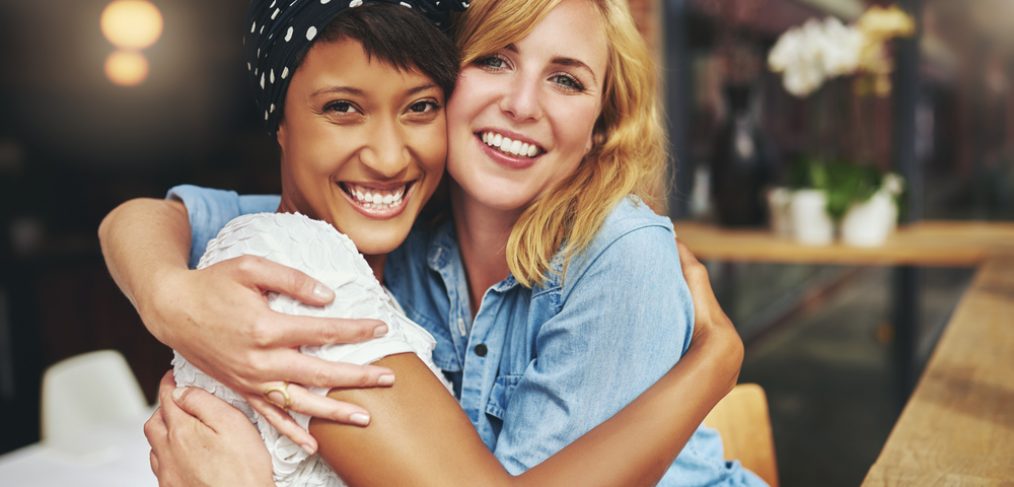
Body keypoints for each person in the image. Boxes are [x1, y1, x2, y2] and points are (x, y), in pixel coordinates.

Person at [101, 0, 763, 485]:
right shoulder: (391, 223)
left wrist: (713, 364)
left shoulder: (617, 250)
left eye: (566, 78)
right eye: (495, 60)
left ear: (600, 125)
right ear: (451, 83)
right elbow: (155, 216)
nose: (523, 104)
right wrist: (168, 294)